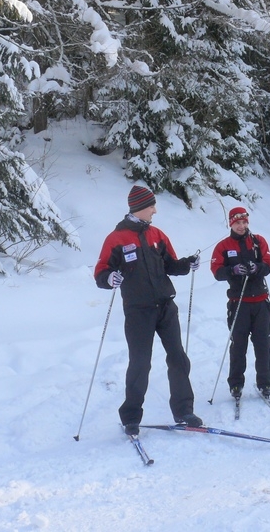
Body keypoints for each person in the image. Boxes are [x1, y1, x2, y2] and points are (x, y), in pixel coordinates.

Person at [94, 185, 203, 436]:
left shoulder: (157, 235)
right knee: (140, 364)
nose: (155, 210)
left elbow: (171, 265)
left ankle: (184, 410)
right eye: (151, 206)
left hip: (165, 306)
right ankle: (131, 417)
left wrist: (188, 263)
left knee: (178, 358)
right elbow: (101, 271)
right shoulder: (117, 239)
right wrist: (110, 278)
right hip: (138, 311)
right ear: (140, 208)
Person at [210, 207, 270, 399]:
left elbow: (269, 264)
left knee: (263, 344)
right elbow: (216, 270)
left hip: (261, 302)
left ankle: (265, 383)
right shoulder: (223, 246)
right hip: (238, 303)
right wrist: (233, 270)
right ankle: (236, 384)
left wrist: (257, 267)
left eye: (244, 222)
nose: (241, 226)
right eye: (237, 222)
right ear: (231, 223)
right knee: (238, 345)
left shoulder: (258, 241)